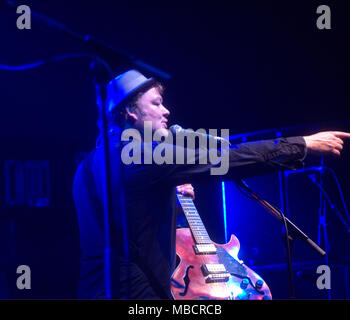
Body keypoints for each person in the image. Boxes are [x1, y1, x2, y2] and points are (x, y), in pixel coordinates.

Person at [73, 69, 350, 299]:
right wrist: (302, 145)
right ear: (130, 112)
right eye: (156, 103)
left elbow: (130, 224)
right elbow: (226, 159)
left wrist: (166, 191)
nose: (166, 111)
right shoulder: (141, 156)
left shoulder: (90, 164)